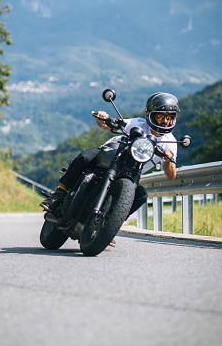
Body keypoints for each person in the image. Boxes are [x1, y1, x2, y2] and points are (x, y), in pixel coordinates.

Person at [40, 92, 180, 240]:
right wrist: (103, 118)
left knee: (141, 195)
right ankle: (59, 194)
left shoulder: (171, 142)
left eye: (170, 116)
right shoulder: (137, 124)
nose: (165, 120)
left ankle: (108, 225)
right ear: (151, 115)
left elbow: (171, 176)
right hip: (110, 157)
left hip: (129, 174)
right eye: (160, 116)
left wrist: (168, 160)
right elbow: (107, 125)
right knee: (86, 156)